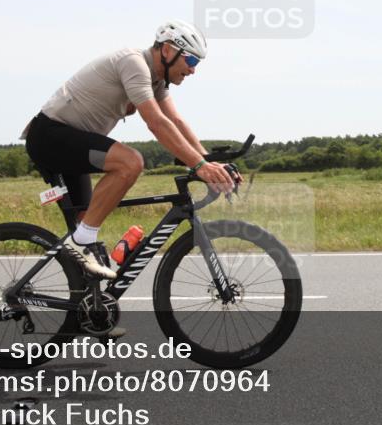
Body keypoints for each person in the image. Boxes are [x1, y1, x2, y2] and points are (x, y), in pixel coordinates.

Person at [21, 20, 237, 280]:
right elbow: (157, 123)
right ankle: (80, 242)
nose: (192, 71)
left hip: (71, 142)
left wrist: (209, 162)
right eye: (191, 61)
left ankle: (87, 307)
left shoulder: (157, 81)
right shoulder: (133, 64)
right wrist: (201, 167)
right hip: (50, 136)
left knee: (86, 226)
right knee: (130, 162)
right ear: (168, 50)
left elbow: (177, 122)